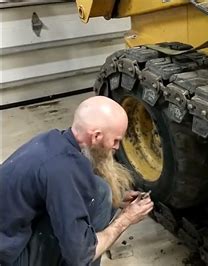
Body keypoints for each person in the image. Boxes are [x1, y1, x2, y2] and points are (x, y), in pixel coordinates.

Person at [0, 96, 154, 265]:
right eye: (115, 140)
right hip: (9, 258)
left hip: (9, 234)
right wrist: (125, 219)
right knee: (85, 244)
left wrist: (118, 200)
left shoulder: (53, 141)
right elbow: (80, 256)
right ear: (96, 136)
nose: (116, 147)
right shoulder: (62, 170)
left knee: (101, 191)